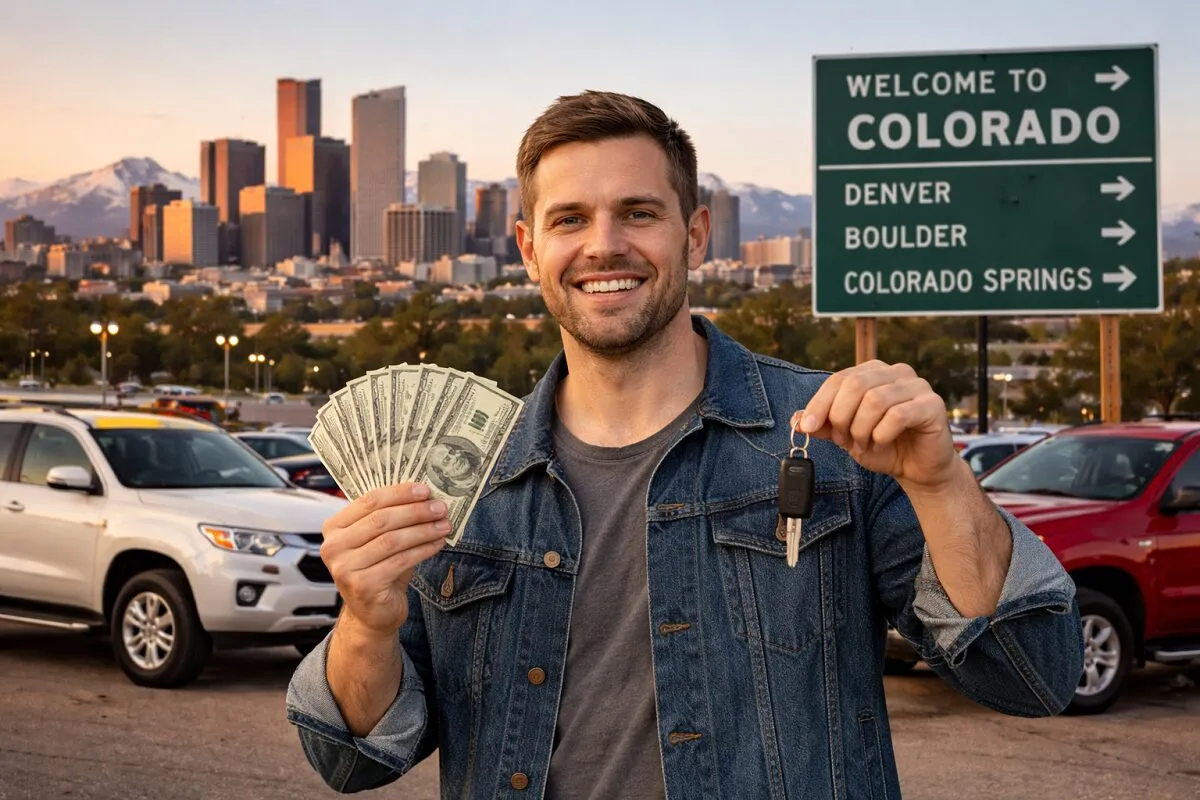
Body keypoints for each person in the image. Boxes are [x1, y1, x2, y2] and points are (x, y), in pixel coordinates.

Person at [286, 91, 1083, 799]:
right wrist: (366, 621)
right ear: (529, 251)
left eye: (638, 212)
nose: (604, 246)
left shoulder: (833, 438)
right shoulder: (458, 479)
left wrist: (941, 485)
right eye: (570, 219)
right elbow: (351, 761)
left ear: (695, 234)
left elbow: (1031, 673)